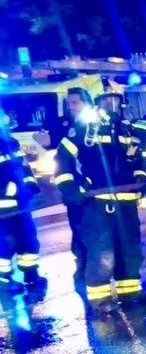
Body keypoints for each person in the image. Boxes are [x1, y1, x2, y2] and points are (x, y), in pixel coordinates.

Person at [54, 100, 146, 315]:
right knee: (102, 253)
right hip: (98, 203)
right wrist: (72, 187)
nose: (113, 105)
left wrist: (141, 180)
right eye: (107, 99)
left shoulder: (127, 130)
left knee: (130, 251)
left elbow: (138, 161)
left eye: (117, 100)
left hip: (126, 201)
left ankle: (130, 294)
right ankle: (101, 300)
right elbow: (63, 158)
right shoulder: (86, 129)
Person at [36, 88, 93, 288]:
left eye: (75, 103)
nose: (71, 107)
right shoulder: (64, 125)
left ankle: (100, 267)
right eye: (69, 103)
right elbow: (58, 154)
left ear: (87, 103)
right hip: (75, 191)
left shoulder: (95, 126)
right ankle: (83, 266)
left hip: (96, 191)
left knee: (99, 230)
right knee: (78, 229)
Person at [0, 110, 46, 293]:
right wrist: (8, 190)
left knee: (27, 238)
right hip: (3, 208)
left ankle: (31, 274)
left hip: (21, 205)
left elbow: (23, 168)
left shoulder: (11, 143)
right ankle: (4, 280)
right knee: (4, 244)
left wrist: (30, 184)